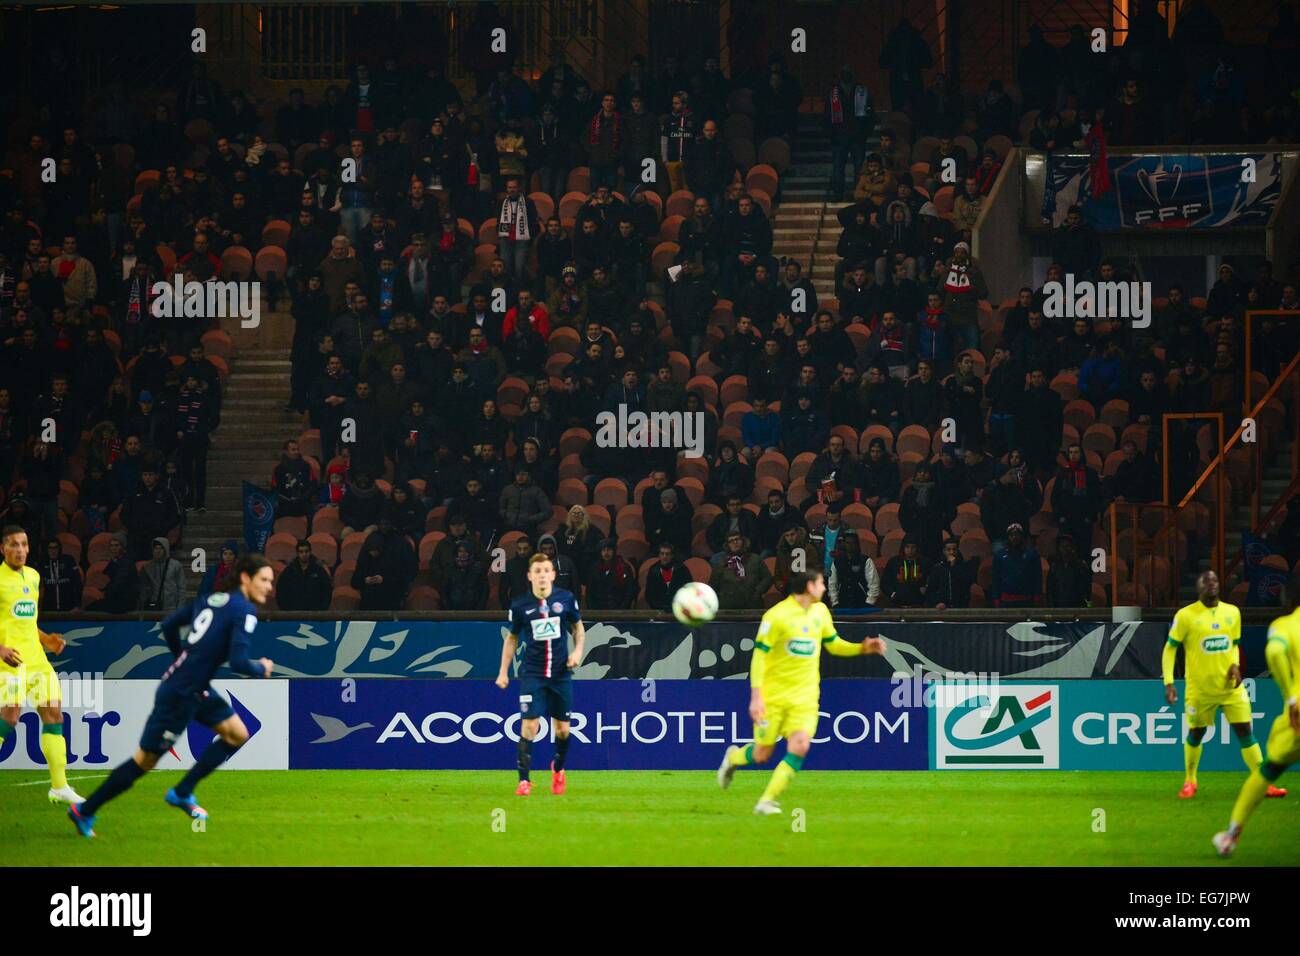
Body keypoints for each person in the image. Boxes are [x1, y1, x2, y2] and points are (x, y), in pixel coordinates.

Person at [68, 554, 277, 837]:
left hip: (194, 686)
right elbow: (240, 663)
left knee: (237, 733)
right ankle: (86, 809)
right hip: (181, 694)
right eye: (264, 579)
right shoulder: (244, 611)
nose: (269, 587)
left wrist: (183, 659)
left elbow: (168, 625)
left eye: (270, 581)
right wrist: (261, 667)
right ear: (245, 578)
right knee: (145, 761)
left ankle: (183, 791)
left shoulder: (211, 599)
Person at [717, 570, 886, 815]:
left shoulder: (820, 612)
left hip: (805, 698)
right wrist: (756, 696)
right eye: (820, 583)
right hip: (773, 697)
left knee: (801, 745)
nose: (825, 588)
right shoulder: (776, 616)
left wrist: (861, 648)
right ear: (809, 586)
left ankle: (766, 801)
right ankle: (733, 758)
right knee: (762, 753)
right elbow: (759, 656)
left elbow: (834, 645)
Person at [1165, 570, 1287, 802]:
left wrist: (1234, 664)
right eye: (1206, 580)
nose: (1211, 583)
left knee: (1246, 733)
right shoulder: (1186, 615)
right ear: (1198, 586)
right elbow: (1170, 649)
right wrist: (1169, 682)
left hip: (1230, 688)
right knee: (1196, 733)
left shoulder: (1232, 612)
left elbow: (1233, 644)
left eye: (1214, 579)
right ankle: (1190, 780)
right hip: (1200, 690)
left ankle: (1263, 784)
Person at [1214, 575, 1300, 856]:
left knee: (1268, 771)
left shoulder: (1285, 625)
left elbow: (1274, 651)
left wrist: (1290, 697)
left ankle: (1230, 836)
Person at [0, 526, 81, 805]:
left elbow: (28, 623)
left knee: (54, 715)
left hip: (36, 660)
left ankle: (59, 787)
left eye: (23, 544)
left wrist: (47, 640)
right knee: (9, 718)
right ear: (3, 549)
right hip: (9, 661)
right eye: (13, 545)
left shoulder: (33, 577)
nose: (20, 549)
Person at [497, 552, 585, 797]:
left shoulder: (566, 599)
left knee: (563, 731)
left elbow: (578, 629)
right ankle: (524, 781)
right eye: (537, 571)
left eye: (546, 571)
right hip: (533, 674)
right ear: (530, 576)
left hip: (561, 674)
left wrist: (577, 652)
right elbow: (512, 638)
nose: (542, 575)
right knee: (529, 727)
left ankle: (557, 768)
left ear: (553, 575)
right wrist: (503, 672)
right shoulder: (520, 605)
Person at [827, 528, 880, 609]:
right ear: (844, 544)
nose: (851, 546)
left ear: (857, 544)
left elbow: (874, 584)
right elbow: (832, 585)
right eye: (848, 543)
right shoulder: (837, 562)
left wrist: (869, 603)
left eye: (853, 543)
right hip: (842, 605)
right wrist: (835, 603)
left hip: (863, 605)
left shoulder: (866, 561)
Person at [277, 540, 333, 612]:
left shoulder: (319, 570)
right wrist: (286, 611)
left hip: (314, 614)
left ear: (310, 552)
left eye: (306, 551)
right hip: (293, 614)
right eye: (301, 552)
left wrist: (321, 610)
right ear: (297, 553)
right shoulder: (289, 571)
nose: (304, 554)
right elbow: (281, 591)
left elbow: (327, 591)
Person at [138, 536, 186, 612]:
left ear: (166, 549)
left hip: (171, 606)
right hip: (153, 606)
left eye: (161, 548)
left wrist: (180, 607)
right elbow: (143, 588)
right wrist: (142, 605)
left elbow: (181, 588)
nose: (158, 551)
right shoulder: (147, 566)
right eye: (156, 548)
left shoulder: (175, 565)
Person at [645, 542, 691, 612]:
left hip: (679, 609)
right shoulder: (653, 570)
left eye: (667, 554)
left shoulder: (682, 569)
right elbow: (649, 594)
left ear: (672, 555)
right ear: (659, 555)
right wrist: (661, 607)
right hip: (659, 610)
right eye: (662, 554)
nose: (664, 556)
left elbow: (688, 590)